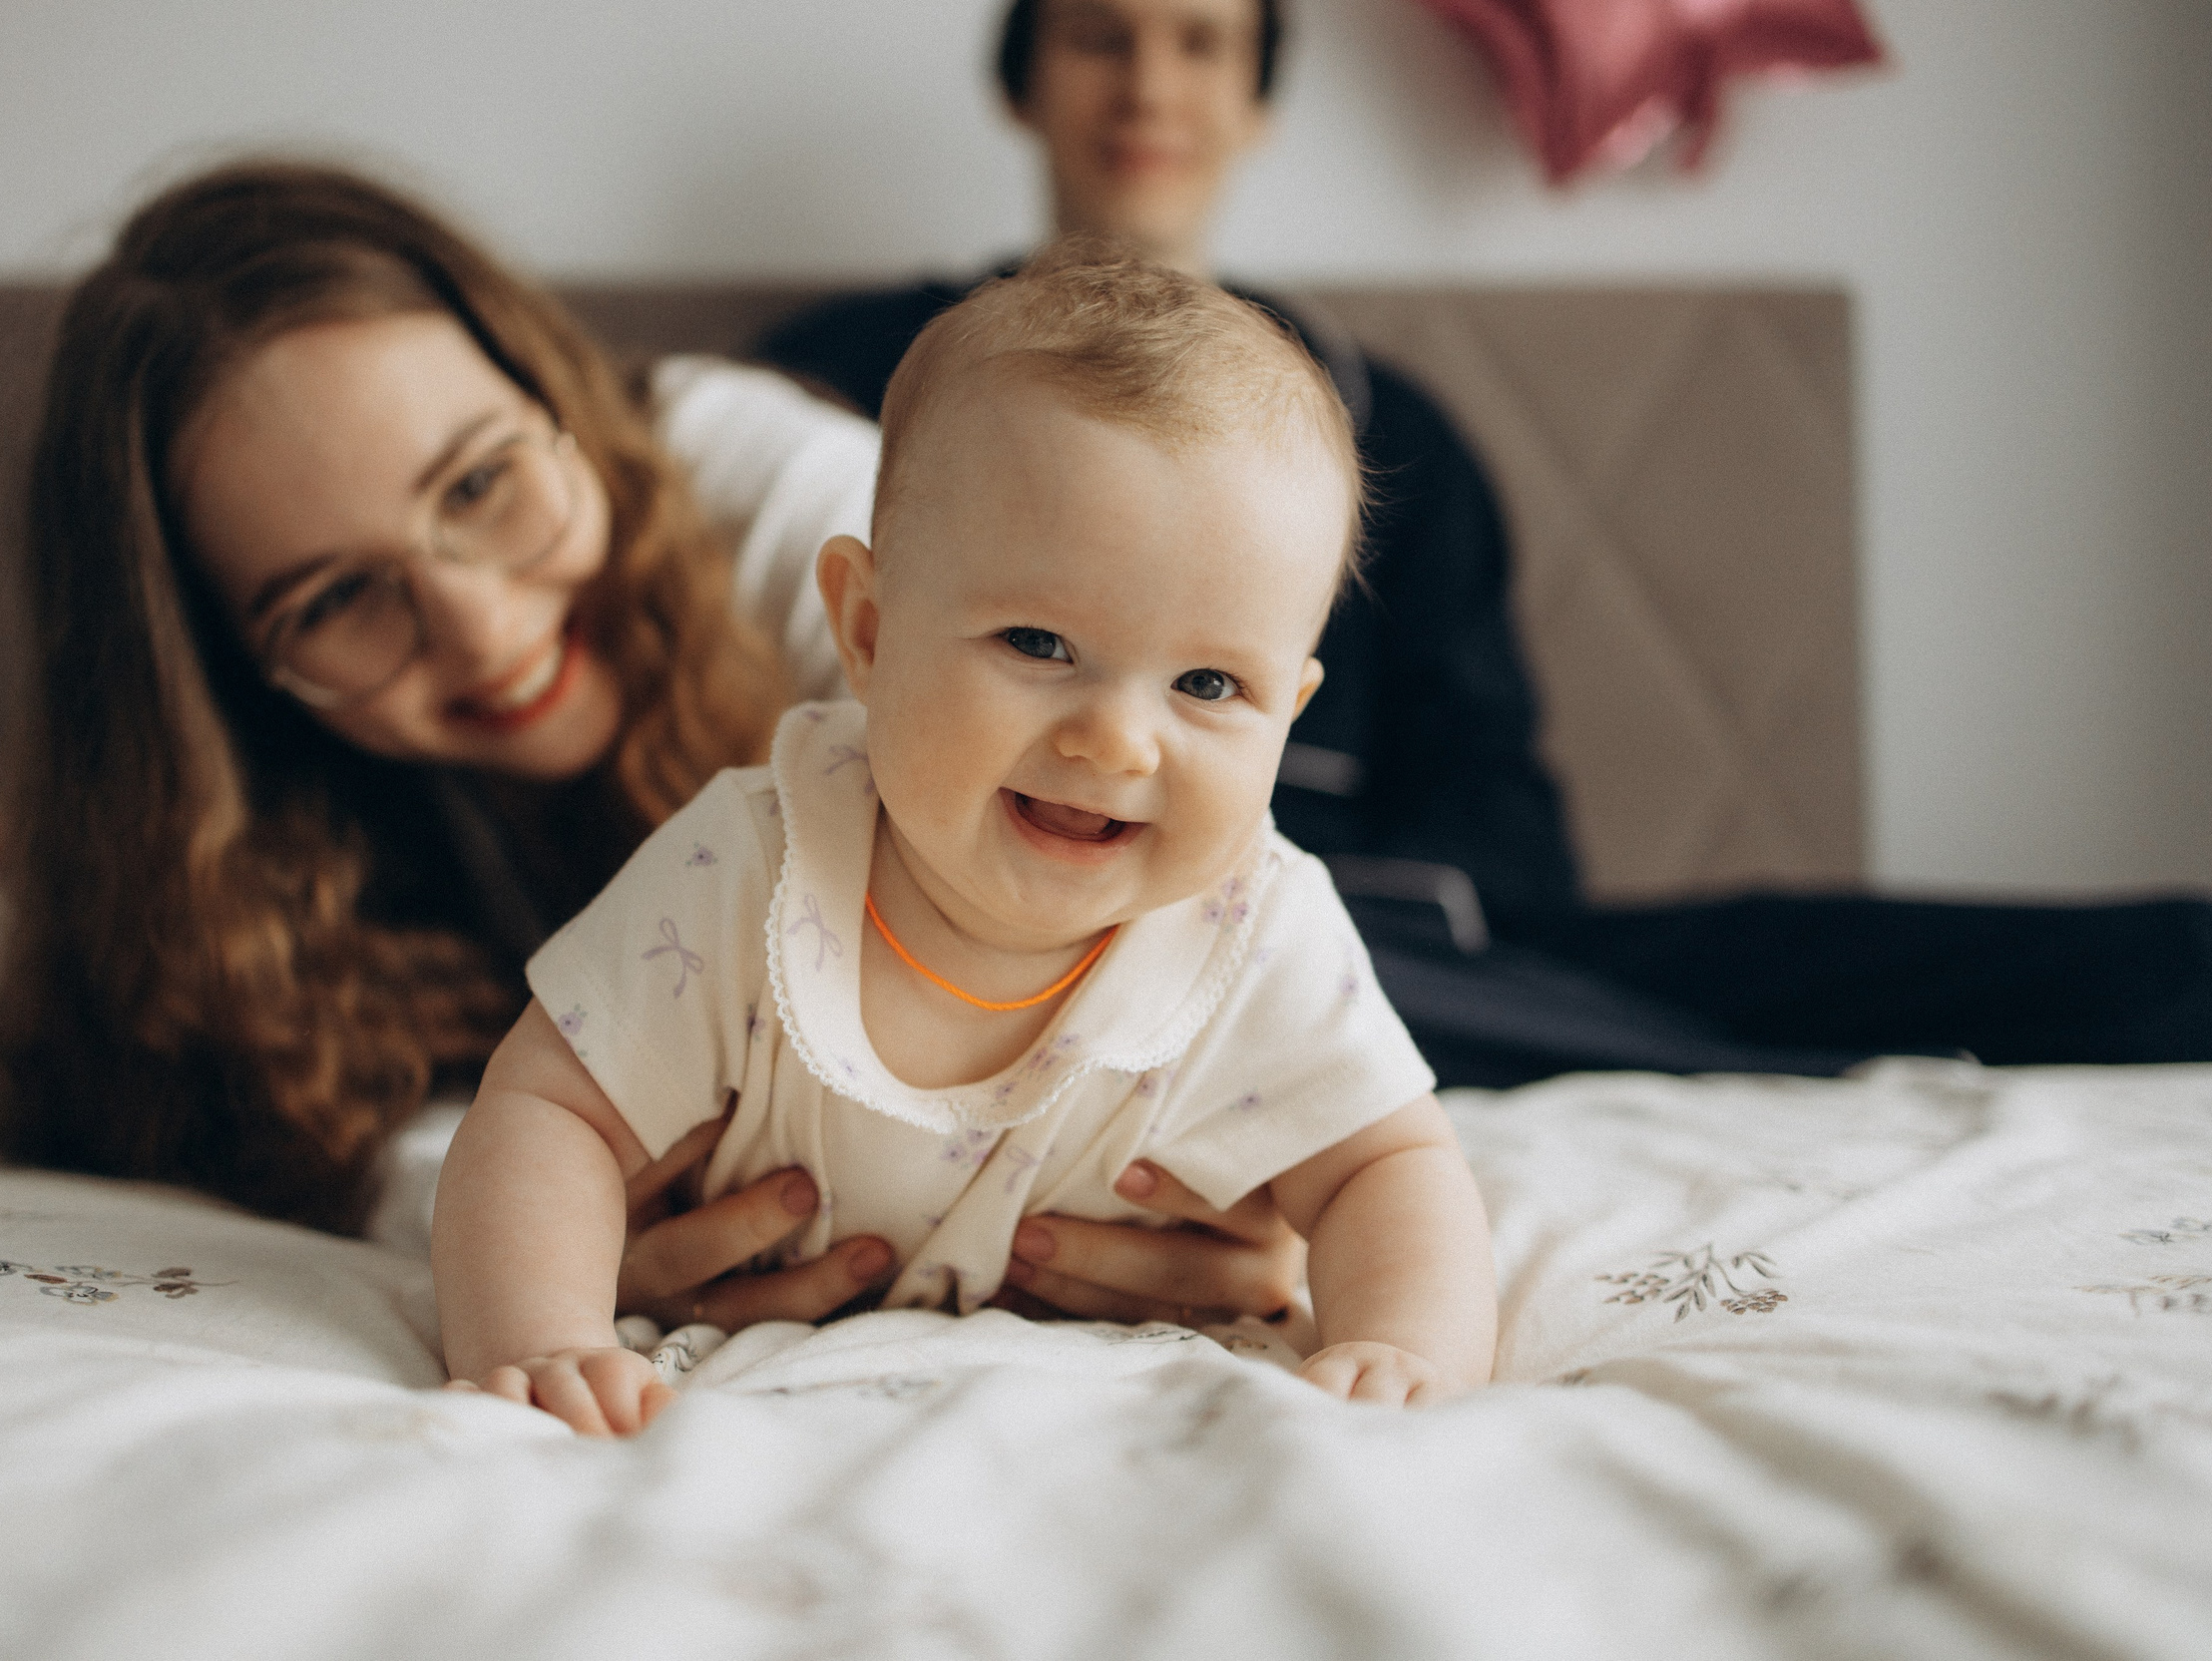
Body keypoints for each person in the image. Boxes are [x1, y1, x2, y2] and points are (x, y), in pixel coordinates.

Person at [0, 158, 1312, 1335]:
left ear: (558, 391)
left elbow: (1156, 836)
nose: (479, 627)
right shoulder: (218, 858)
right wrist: (552, 1249)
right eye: (334, 599)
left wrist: (1277, 1193)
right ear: (233, 680)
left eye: (479, 483)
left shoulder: (776, 514)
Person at [756, 0, 2212, 1085]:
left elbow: (1505, 831)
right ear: (1020, 87)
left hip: (1396, 937)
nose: (1149, 85)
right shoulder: (842, 384)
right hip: (989, 917)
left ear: (1258, 103)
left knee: (2154, 964)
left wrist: (1301, 910)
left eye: (1201, 43)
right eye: (1099, 36)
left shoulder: (1394, 437)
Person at [432, 244, 1496, 1436]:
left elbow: (1387, 1168)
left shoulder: (1253, 928)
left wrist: (1403, 1348)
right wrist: (545, 1336)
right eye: (1038, 644)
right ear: (868, 630)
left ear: (1287, 714)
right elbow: (548, 1114)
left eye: (1206, 684)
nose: (1116, 742)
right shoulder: (750, 864)